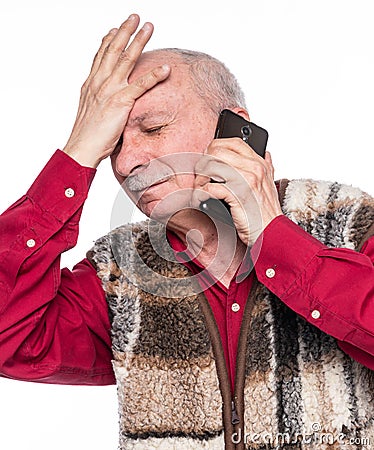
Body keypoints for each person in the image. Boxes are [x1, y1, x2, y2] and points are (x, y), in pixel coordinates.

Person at [0, 13, 373, 450]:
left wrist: (275, 238)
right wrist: (78, 151)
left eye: (154, 128)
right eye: (112, 143)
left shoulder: (348, 219)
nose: (126, 163)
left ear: (234, 128)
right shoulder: (119, 271)